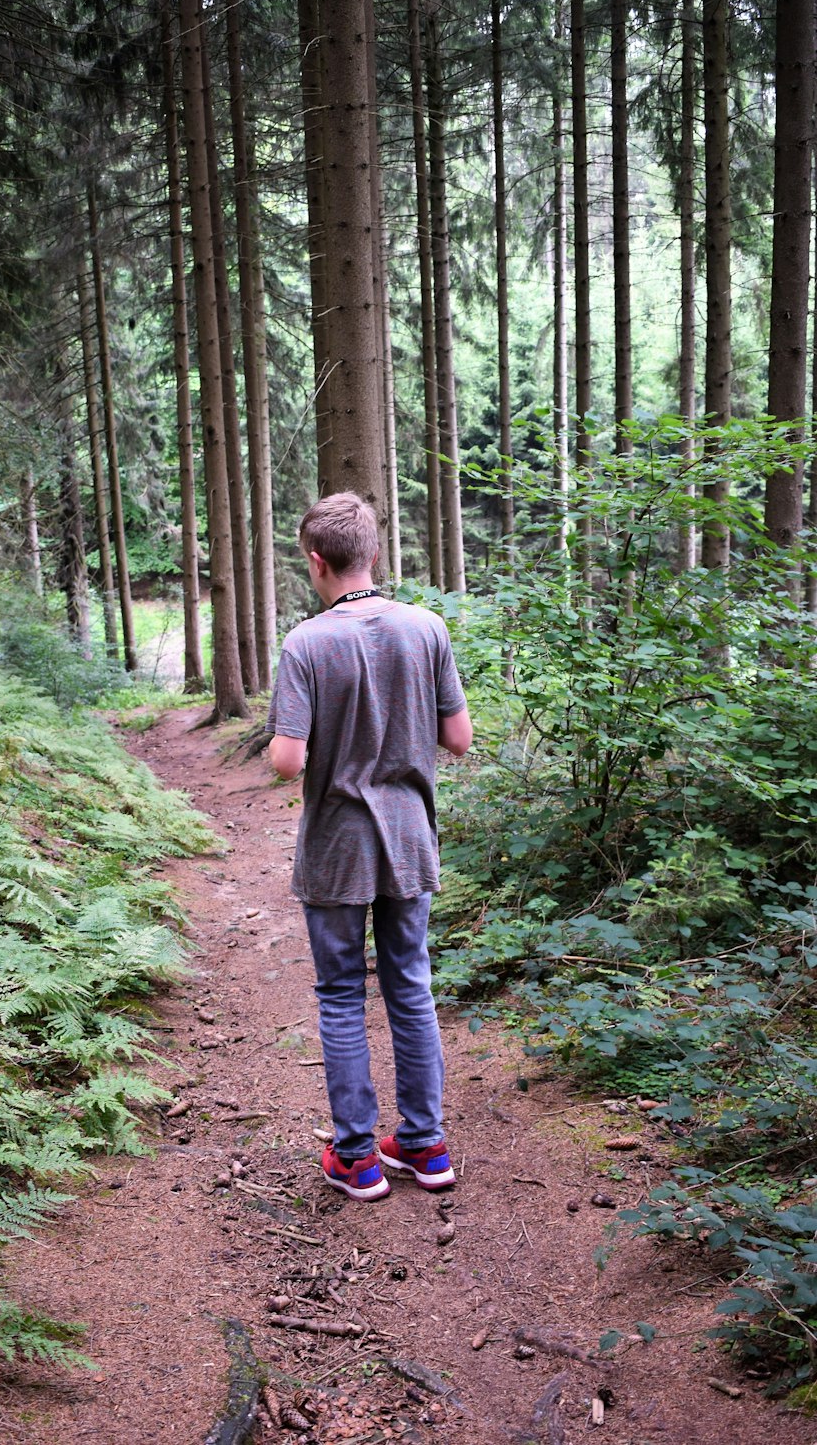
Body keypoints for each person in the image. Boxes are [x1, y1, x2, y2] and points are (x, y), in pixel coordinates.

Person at [266, 493, 473, 1202]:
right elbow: (459, 739)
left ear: (316, 562)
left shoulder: (307, 642)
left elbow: (288, 761)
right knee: (409, 986)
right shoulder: (426, 628)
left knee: (340, 992)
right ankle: (425, 1143)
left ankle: (355, 1156)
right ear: (375, 553)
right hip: (410, 839)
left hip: (337, 846)